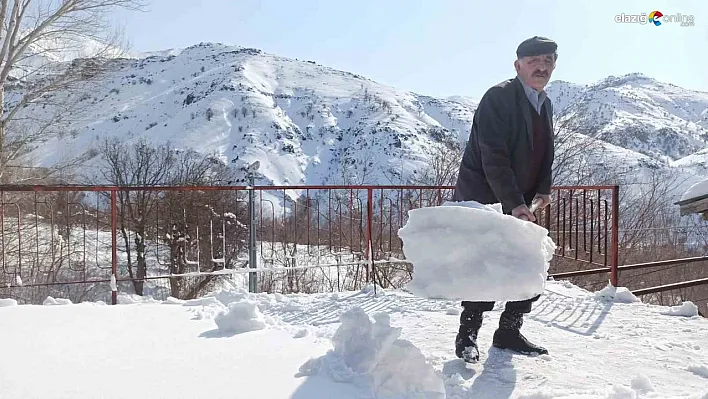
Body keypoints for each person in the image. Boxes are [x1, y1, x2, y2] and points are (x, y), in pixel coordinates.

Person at [451, 36, 557, 363]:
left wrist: (542, 189)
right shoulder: (498, 98)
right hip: (487, 199)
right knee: (486, 268)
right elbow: (492, 157)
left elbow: (545, 154)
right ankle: (467, 336)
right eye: (533, 61)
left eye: (548, 60)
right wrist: (513, 202)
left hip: (522, 201)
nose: (542, 67)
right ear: (518, 65)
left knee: (527, 265)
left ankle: (508, 332)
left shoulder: (544, 102)